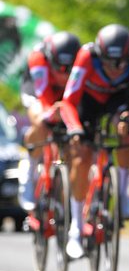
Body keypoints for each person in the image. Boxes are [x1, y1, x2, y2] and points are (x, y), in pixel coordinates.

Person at [60, 24, 129, 259]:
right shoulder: (86, 56)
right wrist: (74, 128)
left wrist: (128, 117)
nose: (114, 69)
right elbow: (68, 100)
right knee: (82, 155)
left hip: (117, 101)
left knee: (126, 132)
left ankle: (122, 192)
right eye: (107, 62)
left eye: (120, 63)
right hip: (88, 101)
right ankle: (76, 226)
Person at [18, 31, 80, 211]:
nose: (63, 73)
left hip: (63, 95)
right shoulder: (38, 59)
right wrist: (51, 113)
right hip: (38, 91)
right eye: (59, 68)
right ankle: (29, 172)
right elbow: (44, 98)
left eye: (69, 69)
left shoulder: (83, 61)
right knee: (41, 122)